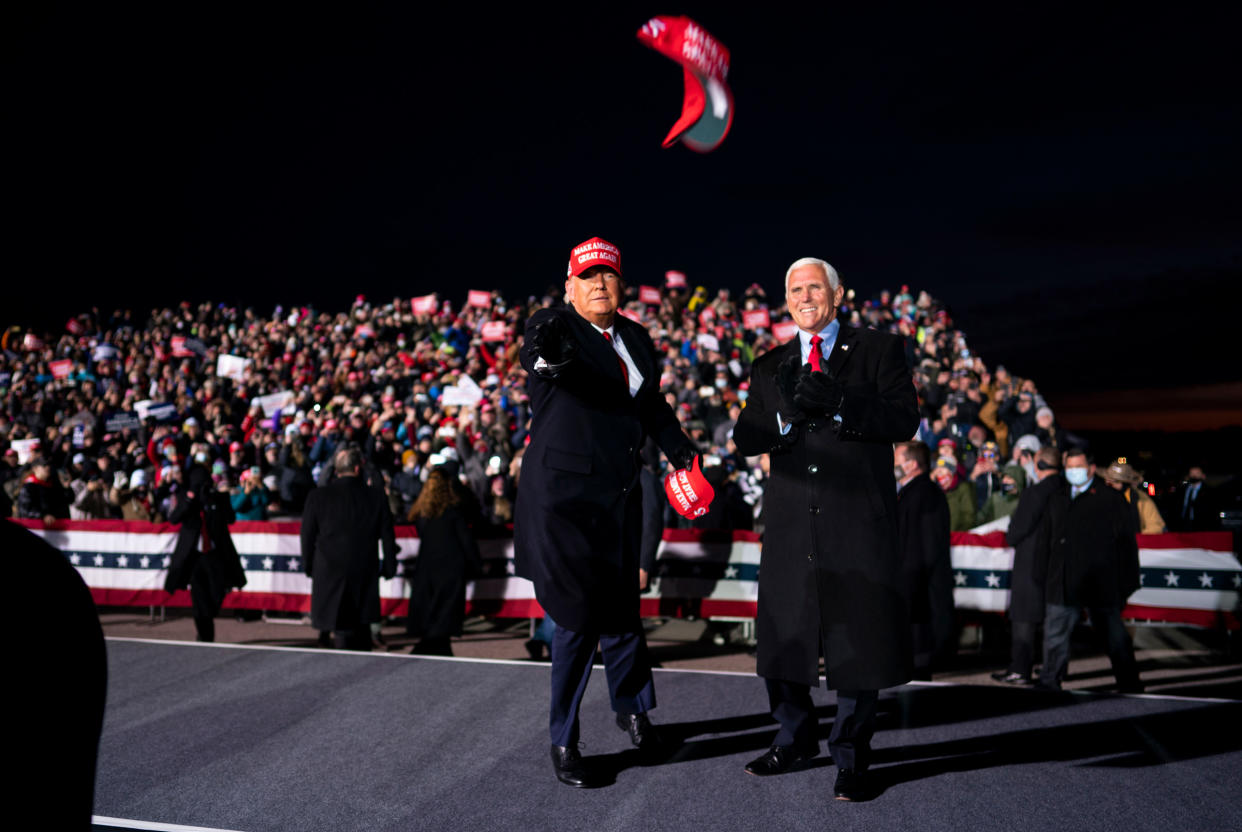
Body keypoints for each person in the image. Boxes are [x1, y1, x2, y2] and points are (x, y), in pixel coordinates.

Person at [514, 236, 698, 788]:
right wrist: (544, 348)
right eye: (588, 276)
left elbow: (651, 406)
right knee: (574, 620)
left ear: (621, 285)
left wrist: (681, 450)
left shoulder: (638, 338)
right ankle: (564, 740)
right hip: (564, 503)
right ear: (569, 285)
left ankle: (633, 710)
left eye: (608, 276)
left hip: (619, 496)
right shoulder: (556, 327)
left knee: (622, 613)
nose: (599, 284)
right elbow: (541, 358)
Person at [732, 256, 919, 802]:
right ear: (786, 299)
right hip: (791, 524)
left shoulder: (878, 349)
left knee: (856, 642)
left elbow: (903, 418)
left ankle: (853, 756)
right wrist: (784, 418)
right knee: (784, 636)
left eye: (815, 286)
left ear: (838, 295)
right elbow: (746, 434)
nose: (804, 295)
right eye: (795, 288)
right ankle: (794, 738)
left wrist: (841, 401)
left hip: (856, 524)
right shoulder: (769, 365)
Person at [1036, 448, 1143, 693]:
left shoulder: (1110, 500)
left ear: (1092, 469)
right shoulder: (1057, 497)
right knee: (1055, 640)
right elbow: (1046, 540)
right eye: (1069, 467)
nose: (1073, 472)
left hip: (1101, 586)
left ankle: (1130, 686)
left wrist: (1126, 585)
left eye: (1078, 467)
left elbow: (1126, 546)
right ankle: (1049, 684)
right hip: (1062, 583)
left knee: (1116, 639)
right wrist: (1043, 576)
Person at [301, 447, 399, 650]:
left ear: (336, 471)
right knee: (359, 628)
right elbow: (388, 536)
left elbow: (307, 536)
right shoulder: (376, 497)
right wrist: (390, 565)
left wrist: (308, 565)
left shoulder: (318, 496)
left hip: (328, 570)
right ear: (357, 469)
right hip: (363, 570)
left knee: (340, 627)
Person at [993, 446, 1061, 685]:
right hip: (1057, 564)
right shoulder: (1065, 490)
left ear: (1039, 465)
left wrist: (1011, 533)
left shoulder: (1035, 493)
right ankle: (1053, 670)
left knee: (1024, 618)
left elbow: (1016, 532)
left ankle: (1020, 669)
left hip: (1031, 563)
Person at [164, 466, 248, 642]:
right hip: (194, 556)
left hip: (215, 554)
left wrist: (213, 501)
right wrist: (189, 499)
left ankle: (208, 617)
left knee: (217, 592)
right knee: (199, 597)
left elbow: (230, 518)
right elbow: (173, 519)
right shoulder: (185, 497)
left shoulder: (218, 498)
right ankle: (204, 635)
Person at [405, 468, 483, 656]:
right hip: (450, 569)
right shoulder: (454, 511)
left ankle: (436, 651)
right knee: (444, 617)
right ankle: (431, 650)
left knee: (433, 615)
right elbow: (466, 540)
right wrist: (476, 565)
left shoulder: (422, 514)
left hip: (427, 568)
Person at [894, 441, 954, 678]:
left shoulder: (926, 494)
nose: (893, 465)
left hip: (920, 584)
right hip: (912, 579)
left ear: (912, 464)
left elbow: (927, 544)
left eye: (897, 460)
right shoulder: (910, 492)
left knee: (920, 647)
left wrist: (911, 578)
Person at [1102, 459, 1166, 534]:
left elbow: (1156, 526)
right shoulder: (1099, 496)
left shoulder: (1141, 498)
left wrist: (1135, 539)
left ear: (1125, 483)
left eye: (1115, 481)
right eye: (1107, 480)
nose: (1108, 483)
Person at [1172, 465, 1214, 531]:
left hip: (1201, 527)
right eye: (1192, 473)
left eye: (1197, 473)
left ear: (1203, 476)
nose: (1194, 476)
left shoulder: (1209, 492)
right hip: (1182, 526)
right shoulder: (1181, 490)